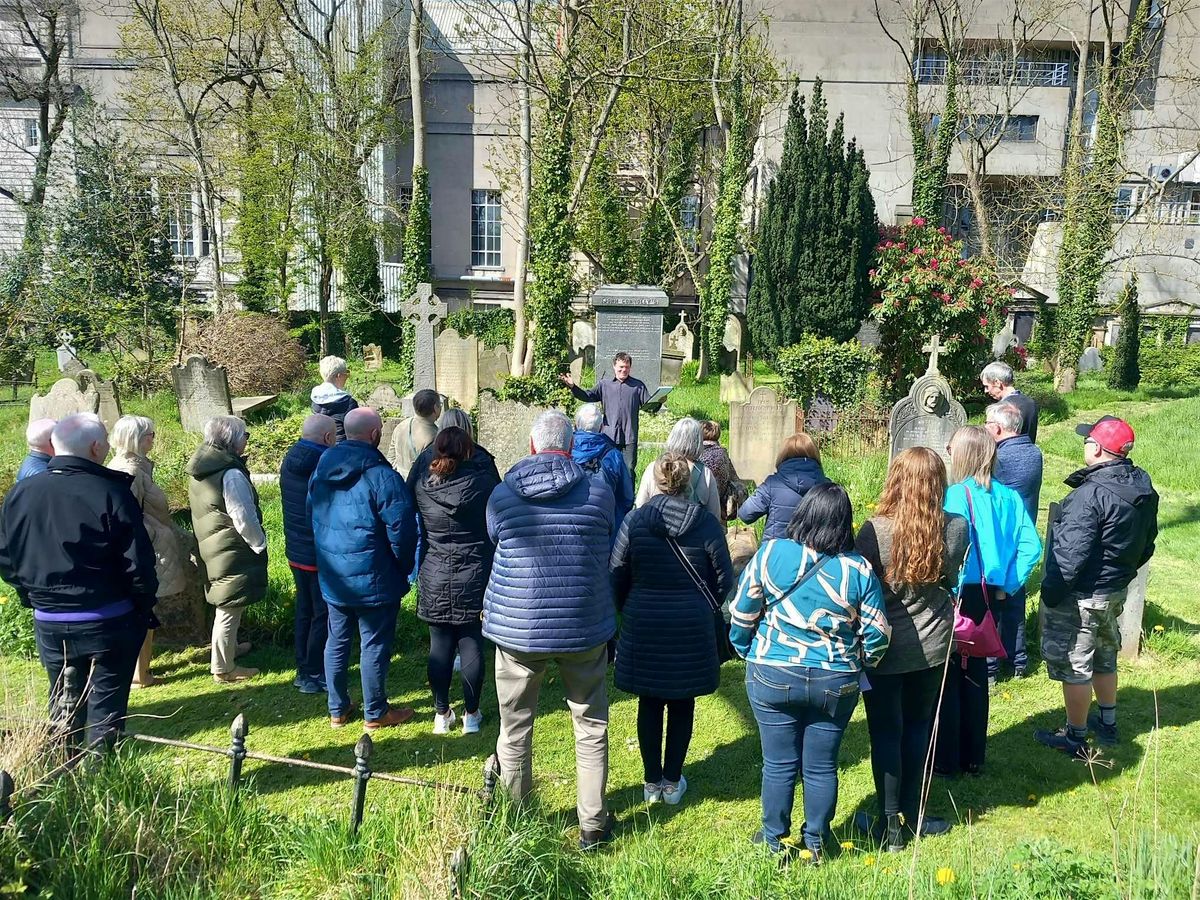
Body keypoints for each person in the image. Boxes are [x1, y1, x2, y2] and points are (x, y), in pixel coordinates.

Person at [730, 483, 890, 861]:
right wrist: (863, 660)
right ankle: (816, 841)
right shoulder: (859, 569)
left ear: (804, 514)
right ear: (844, 523)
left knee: (779, 762)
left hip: (772, 671)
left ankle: (773, 839)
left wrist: (744, 648)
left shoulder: (771, 554)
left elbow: (741, 612)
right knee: (821, 766)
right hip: (835, 679)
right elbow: (878, 633)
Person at [482, 411, 617, 851]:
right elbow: (606, 537)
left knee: (515, 725)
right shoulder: (598, 491)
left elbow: (493, 537)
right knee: (591, 724)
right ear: (571, 444)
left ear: (532, 444)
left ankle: (516, 817)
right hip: (583, 623)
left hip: (519, 626)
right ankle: (593, 823)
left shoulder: (502, 496)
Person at [0, 413, 156, 746]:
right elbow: (138, 564)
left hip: (51, 620)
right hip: (108, 619)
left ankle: (63, 782)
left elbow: (6, 557)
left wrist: (34, 597)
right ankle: (99, 787)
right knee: (106, 714)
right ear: (97, 447)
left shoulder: (20, 494)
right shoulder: (111, 492)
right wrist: (140, 608)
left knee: (63, 708)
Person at [854, 448, 968, 850]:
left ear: (896, 479)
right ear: (939, 483)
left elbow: (859, 588)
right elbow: (952, 579)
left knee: (885, 732)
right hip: (934, 644)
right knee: (919, 728)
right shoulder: (956, 528)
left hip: (884, 646)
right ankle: (914, 814)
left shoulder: (874, 530)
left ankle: (889, 826)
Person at [611, 453, 734, 806]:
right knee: (682, 701)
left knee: (649, 701)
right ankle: (672, 779)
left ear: (657, 480)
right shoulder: (707, 524)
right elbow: (725, 577)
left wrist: (627, 607)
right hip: (691, 624)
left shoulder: (635, 521)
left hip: (644, 619)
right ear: (687, 483)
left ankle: (651, 782)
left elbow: (616, 570)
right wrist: (706, 602)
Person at [1035, 416, 1158, 757]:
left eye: (1088, 440)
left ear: (1100, 450)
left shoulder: (1089, 496)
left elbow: (1068, 556)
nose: (1084, 444)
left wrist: (1052, 594)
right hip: (1114, 590)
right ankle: (1107, 722)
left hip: (1083, 595)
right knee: (1105, 656)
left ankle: (1074, 736)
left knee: (1076, 665)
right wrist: (1121, 577)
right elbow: (1148, 543)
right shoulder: (1143, 486)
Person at [936, 426, 1041, 777]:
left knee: (949, 675)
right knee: (977, 673)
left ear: (963, 455)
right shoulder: (1010, 497)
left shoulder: (954, 495)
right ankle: (974, 758)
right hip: (990, 595)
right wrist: (1008, 585)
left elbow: (945, 547)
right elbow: (1031, 547)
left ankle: (947, 759)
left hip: (957, 594)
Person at [310, 407, 419, 730]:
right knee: (373, 644)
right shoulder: (381, 474)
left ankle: (337, 709)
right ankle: (375, 712)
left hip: (334, 571)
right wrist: (403, 566)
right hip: (375, 574)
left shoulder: (322, 467)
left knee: (338, 639)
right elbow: (402, 527)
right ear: (375, 435)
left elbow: (310, 512)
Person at [408, 425, 500, 734]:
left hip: (436, 568)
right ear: (468, 451)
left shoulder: (423, 483)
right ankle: (471, 715)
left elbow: (410, 500)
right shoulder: (483, 480)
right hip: (474, 570)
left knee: (440, 646)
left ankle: (440, 713)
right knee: (471, 641)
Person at [108, 415, 187, 689]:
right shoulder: (128, 470)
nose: (154, 437)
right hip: (144, 549)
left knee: (145, 609)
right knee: (142, 610)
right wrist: (156, 533)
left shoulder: (137, 467)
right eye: (150, 434)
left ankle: (141, 670)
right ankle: (139, 675)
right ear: (136, 439)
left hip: (149, 545)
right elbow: (127, 517)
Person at [188, 415, 268, 685]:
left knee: (228, 600)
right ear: (233, 440)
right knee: (229, 606)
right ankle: (223, 668)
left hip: (213, 543)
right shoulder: (231, 473)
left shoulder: (204, 466)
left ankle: (230, 649)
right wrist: (259, 543)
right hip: (230, 546)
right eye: (245, 435)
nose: (247, 440)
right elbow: (242, 515)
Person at [984, 401, 1044, 680]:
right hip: (1023, 534)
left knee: (992, 605)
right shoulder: (1034, 452)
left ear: (996, 428)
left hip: (999, 537)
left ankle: (991, 666)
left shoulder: (1000, 458)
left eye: (987, 424)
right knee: (1015, 600)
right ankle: (1018, 660)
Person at [280, 414, 337, 694]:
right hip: (316, 551)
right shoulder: (323, 462)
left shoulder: (291, 456)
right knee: (321, 614)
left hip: (296, 548)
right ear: (328, 438)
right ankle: (316, 671)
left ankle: (303, 669)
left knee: (304, 611)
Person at [560, 351, 650, 472]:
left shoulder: (638, 386)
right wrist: (573, 387)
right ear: (614, 366)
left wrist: (659, 401)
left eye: (627, 367)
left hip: (629, 437)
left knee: (628, 470)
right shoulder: (604, 385)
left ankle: (628, 491)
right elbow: (587, 396)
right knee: (607, 469)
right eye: (621, 367)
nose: (624, 370)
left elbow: (649, 406)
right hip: (609, 437)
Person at [736, 433, 830, 540]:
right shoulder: (829, 489)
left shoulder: (772, 484)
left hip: (777, 553)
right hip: (815, 555)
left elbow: (745, 514)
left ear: (783, 455)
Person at [634, 418, 721, 521]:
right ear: (698, 441)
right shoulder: (705, 474)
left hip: (656, 531)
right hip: (691, 533)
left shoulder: (653, 468)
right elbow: (714, 516)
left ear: (672, 438)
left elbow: (640, 506)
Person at [572, 403, 634, 529]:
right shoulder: (614, 455)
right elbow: (627, 498)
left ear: (576, 425)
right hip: (605, 526)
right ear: (601, 427)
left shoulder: (567, 452)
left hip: (571, 522)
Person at [980, 360, 1038, 443]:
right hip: (1028, 451)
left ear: (997, 383)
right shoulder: (1030, 403)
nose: (986, 391)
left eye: (987, 386)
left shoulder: (1001, 409)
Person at [390, 388, 442, 479]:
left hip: (399, 481)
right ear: (435, 408)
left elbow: (391, 458)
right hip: (417, 485)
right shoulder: (435, 436)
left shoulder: (401, 426)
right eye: (440, 405)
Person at [698, 420, 744, 522]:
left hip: (701, 508)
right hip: (720, 509)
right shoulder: (723, 454)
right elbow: (733, 477)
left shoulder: (698, 454)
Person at [310, 355, 359, 442]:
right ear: (339, 376)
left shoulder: (315, 396)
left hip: (318, 445)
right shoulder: (348, 402)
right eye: (346, 373)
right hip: (341, 448)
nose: (347, 377)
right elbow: (356, 433)